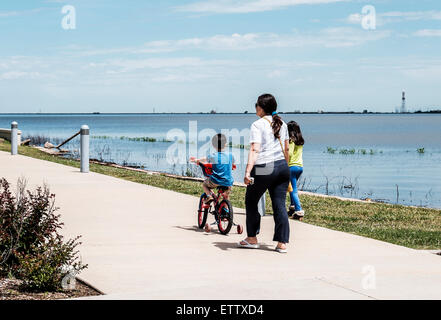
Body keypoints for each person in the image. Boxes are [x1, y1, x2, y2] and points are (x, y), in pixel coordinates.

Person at [238, 94, 291, 253]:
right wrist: (285, 167)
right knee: (279, 204)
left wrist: (247, 171)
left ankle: (252, 238)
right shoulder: (283, 124)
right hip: (282, 166)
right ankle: (282, 243)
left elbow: (255, 149)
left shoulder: (257, 125)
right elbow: (287, 149)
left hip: (264, 167)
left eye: (256, 105)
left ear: (260, 108)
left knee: (251, 201)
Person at [190, 133, 235, 203]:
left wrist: (196, 160)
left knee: (205, 184)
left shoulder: (213, 156)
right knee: (226, 196)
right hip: (228, 181)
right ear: (226, 144)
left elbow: (204, 159)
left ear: (213, 145)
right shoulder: (230, 155)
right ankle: (226, 210)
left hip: (215, 180)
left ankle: (209, 196)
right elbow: (232, 164)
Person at [287, 121, 305, 219]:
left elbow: (289, 154)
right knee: (291, 187)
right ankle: (292, 207)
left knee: (293, 189)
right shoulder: (300, 140)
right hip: (300, 167)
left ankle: (299, 210)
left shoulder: (292, 140)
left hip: (291, 167)